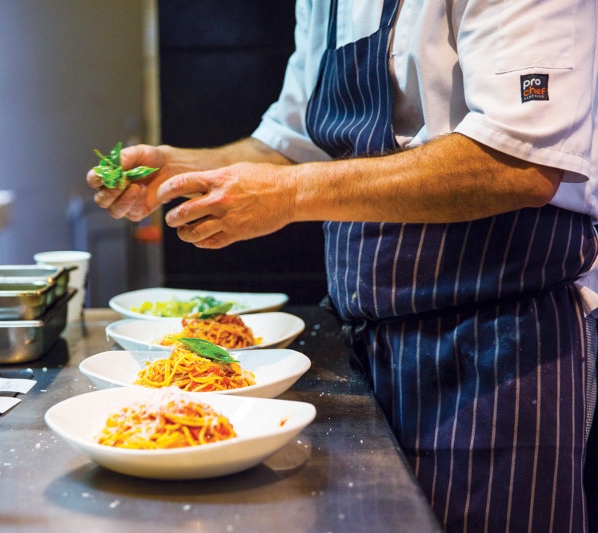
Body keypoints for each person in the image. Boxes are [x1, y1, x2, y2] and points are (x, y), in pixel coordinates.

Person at [87, 0, 598, 531]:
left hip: (497, 350)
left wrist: (288, 196)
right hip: (364, 344)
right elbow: (292, 144)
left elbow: (519, 164)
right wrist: (183, 168)